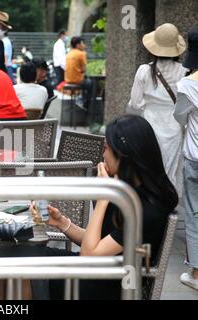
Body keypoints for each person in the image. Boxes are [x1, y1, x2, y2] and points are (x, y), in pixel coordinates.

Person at [26, 115, 178, 300]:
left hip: (111, 287)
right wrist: (61, 223)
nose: (103, 155)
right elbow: (97, 244)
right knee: (25, 256)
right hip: (100, 274)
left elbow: (89, 255)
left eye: (106, 149)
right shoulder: (128, 191)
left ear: (124, 155)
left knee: (25, 268)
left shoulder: (147, 209)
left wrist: (104, 197)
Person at [128, 23, 187, 194]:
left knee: (148, 165)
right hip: (175, 126)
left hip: (149, 125)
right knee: (171, 169)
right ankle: (169, 206)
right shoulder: (184, 72)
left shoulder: (144, 71)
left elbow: (135, 103)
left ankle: (150, 200)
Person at [174, 24, 198, 291]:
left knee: (194, 214)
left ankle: (197, 274)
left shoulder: (188, 85)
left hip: (195, 158)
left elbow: (179, 116)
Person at [65, 36, 94, 109]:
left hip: (67, 80)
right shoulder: (82, 53)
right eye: (82, 43)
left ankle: (80, 98)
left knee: (86, 83)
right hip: (77, 80)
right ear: (78, 45)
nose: (84, 45)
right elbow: (84, 70)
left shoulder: (69, 53)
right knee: (91, 84)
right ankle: (83, 102)